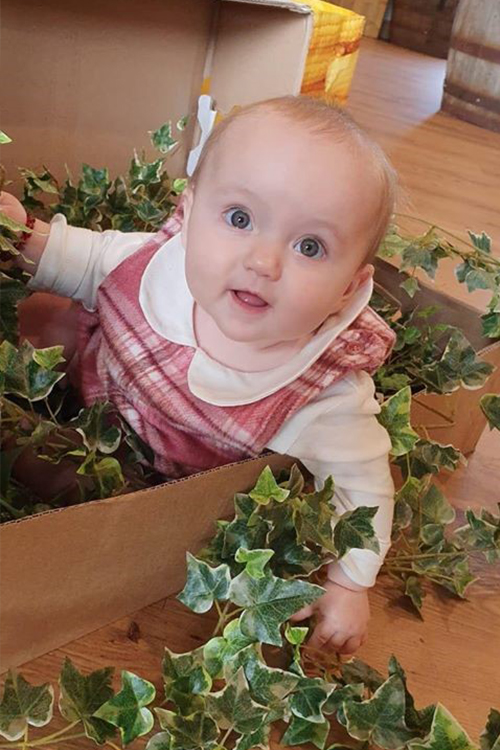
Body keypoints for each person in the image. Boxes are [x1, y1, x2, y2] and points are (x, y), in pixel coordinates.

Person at [1, 95, 398, 656]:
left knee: (56, 468)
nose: (264, 261)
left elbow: (365, 488)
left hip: (135, 471)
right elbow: (86, 260)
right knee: (46, 315)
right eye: (239, 219)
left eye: (310, 247)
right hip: (97, 370)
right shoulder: (157, 262)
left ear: (348, 288)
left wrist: (350, 582)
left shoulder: (319, 394)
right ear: (188, 215)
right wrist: (26, 238)